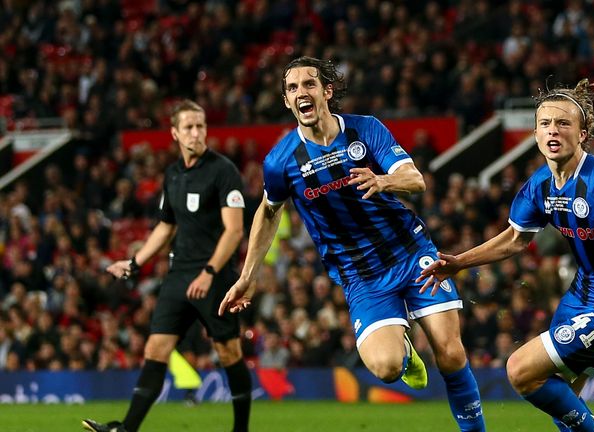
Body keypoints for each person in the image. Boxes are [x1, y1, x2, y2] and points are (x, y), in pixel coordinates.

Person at [218, 56, 485, 432]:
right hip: (361, 275)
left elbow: (415, 179)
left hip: (410, 253)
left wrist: (383, 181)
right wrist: (249, 275)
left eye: (308, 84)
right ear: (286, 101)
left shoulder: (365, 130)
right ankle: (405, 354)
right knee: (386, 367)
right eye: (292, 88)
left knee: (451, 354)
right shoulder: (280, 161)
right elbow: (268, 211)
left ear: (326, 92)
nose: (300, 93)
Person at [418, 79, 594, 432]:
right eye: (544, 124)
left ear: (583, 133)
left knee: (521, 371)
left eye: (563, 123)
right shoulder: (540, 186)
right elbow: (515, 238)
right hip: (579, 297)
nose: (552, 131)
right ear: (535, 133)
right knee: (563, 405)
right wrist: (460, 262)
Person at [82, 100, 252, 432]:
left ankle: (241, 430)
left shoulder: (223, 171)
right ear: (175, 133)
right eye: (188, 127)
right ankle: (126, 429)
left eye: (201, 125)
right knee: (156, 347)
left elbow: (234, 231)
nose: (196, 132)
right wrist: (134, 263)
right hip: (178, 276)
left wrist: (210, 272)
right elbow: (166, 227)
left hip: (214, 277)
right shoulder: (172, 174)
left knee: (229, 352)